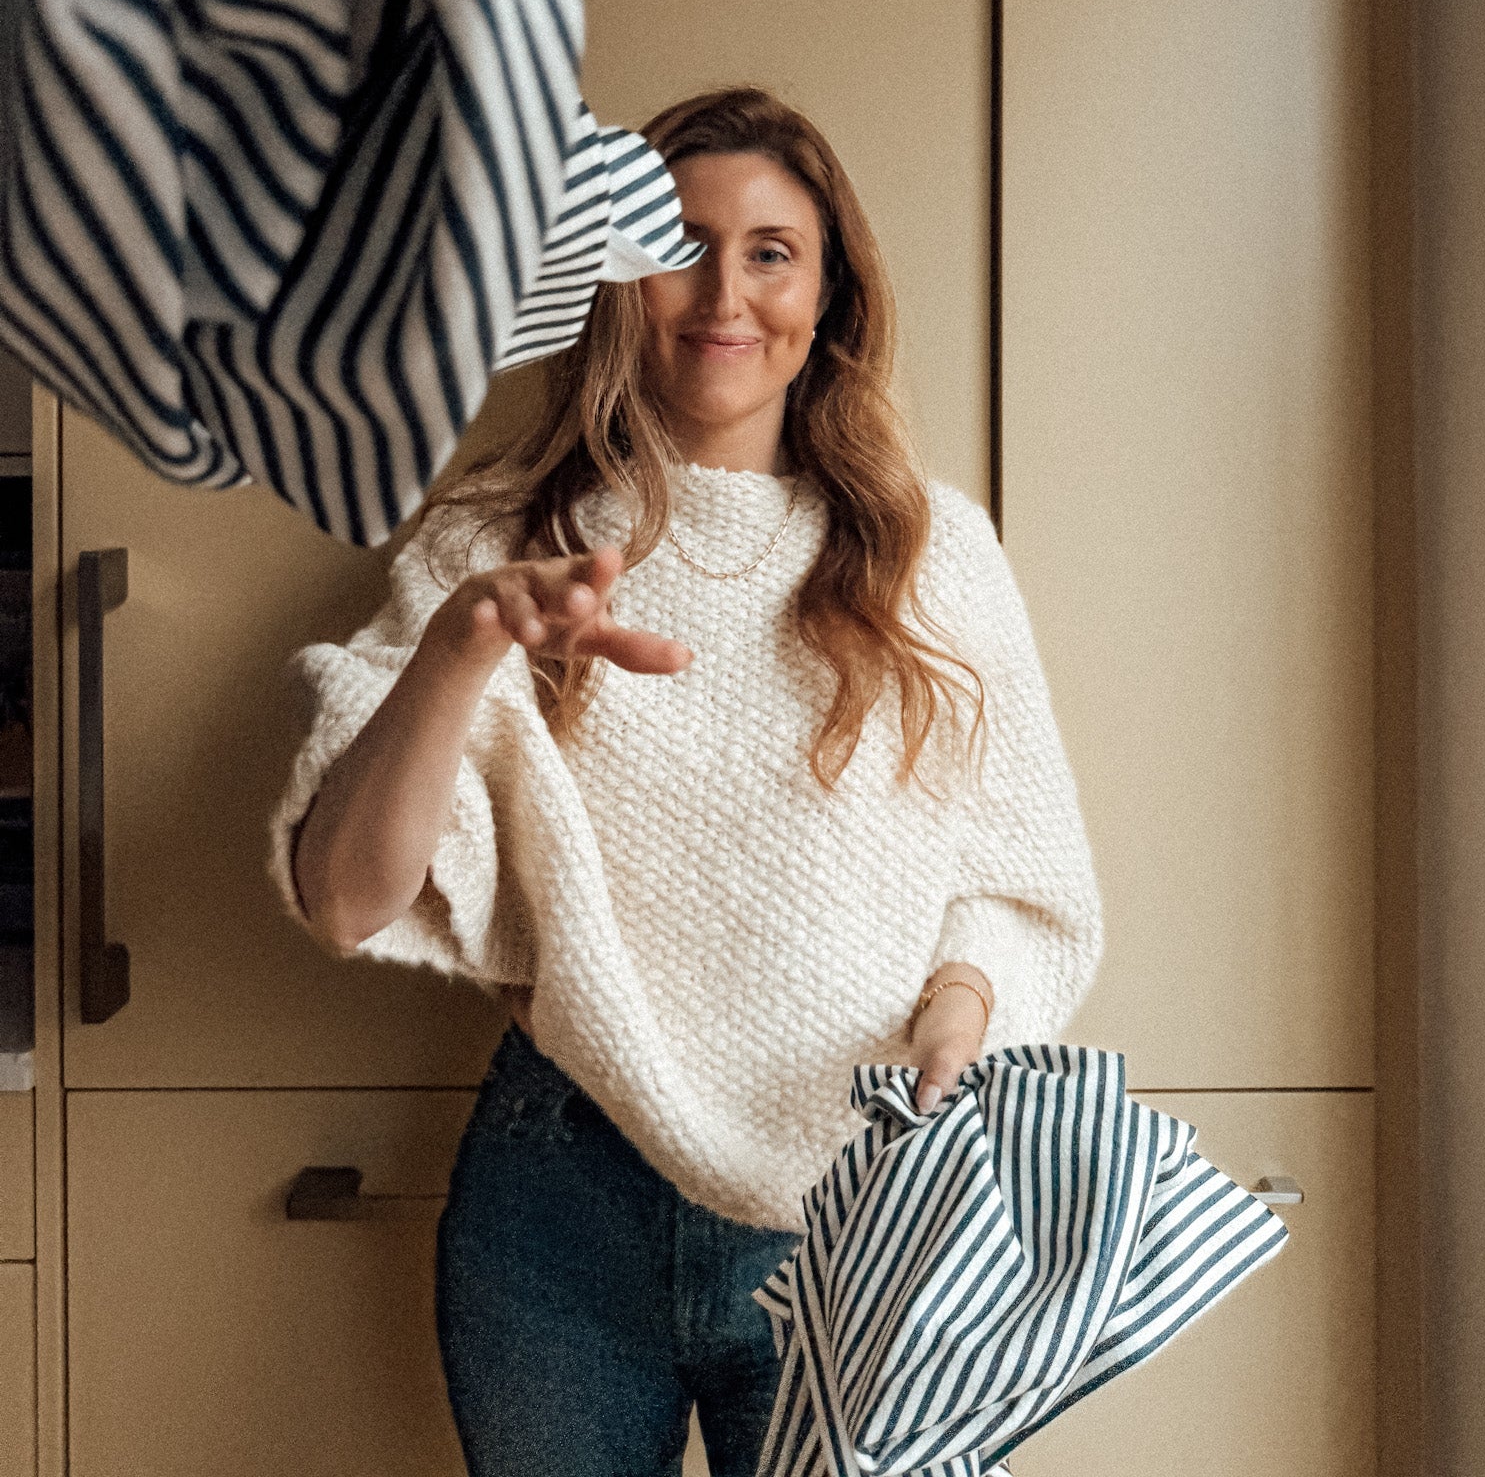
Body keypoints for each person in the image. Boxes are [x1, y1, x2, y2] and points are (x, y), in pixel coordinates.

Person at [271, 86, 1103, 1477]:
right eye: (680, 243)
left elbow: (1024, 885)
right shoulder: (496, 535)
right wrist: (462, 647)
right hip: (563, 1199)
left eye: (771, 250)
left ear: (828, 292)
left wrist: (964, 1009)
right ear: (612, 277)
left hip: (861, 1195)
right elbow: (345, 895)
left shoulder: (929, 552)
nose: (724, 291)